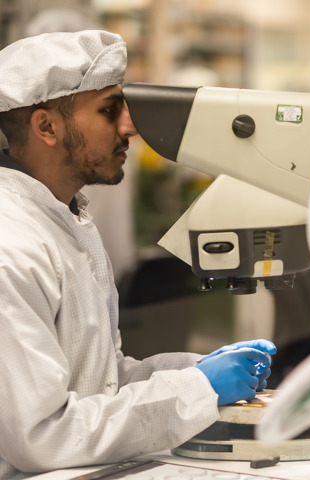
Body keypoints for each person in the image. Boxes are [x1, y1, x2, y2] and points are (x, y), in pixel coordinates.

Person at [0, 30, 276, 480]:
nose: (130, 126)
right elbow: (44, 436)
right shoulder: (11, 247)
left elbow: (101, 380)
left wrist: (196, 370)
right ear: (46, 126)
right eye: (109, 110)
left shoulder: (66, 221)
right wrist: (198, 389)